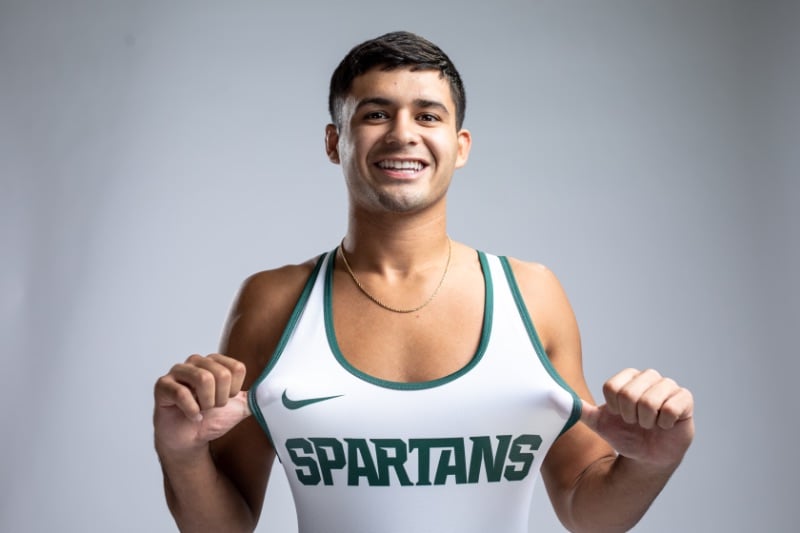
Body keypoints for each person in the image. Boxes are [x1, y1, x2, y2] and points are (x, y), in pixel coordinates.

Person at [153, 31, 694, 533]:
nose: (403, 134)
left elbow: (586, 508)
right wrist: (181, 454)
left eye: (428, 115)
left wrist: (651, 464)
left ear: (460, 146)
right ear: (334, 141)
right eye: (376, 114)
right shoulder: (275, 303)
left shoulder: (531, 296)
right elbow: (225, 526)